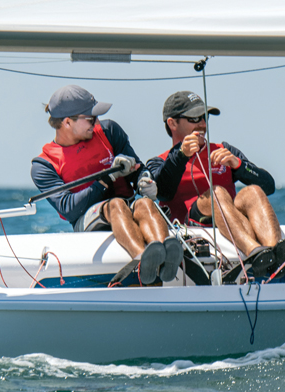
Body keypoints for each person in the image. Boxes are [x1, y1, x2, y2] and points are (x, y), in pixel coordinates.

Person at [31, 85, 182, 285]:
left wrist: (144, 180)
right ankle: (141, 261)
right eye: (90, 118)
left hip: (126, 207)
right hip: (87, 219)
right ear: (67, 122)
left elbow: (138, 168)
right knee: (115, 205)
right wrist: (106, 178)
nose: (96, 123)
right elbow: (69, 209)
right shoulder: (44, 164)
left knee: (145, 204)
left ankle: (164, 254)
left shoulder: (110, 131)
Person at [146, 91, 285, 280]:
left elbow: (269, 186)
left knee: (253, 192)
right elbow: (164, 192)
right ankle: (255, 253)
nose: (202, 124)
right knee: (217, 193)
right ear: (172, 123)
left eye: (204, 117)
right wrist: (181, 155)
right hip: (191, 227)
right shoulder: (159, 161)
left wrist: (239, 166)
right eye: (194, 118)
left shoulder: (224, 150)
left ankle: (275, 256)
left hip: (230, 221)